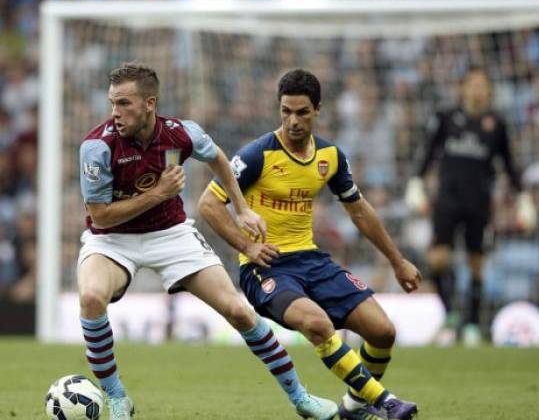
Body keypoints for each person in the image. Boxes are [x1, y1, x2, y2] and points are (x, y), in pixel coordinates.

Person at [77, 63, 338, 420]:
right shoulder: (97, 146)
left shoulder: (180, 134)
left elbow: (217, 157)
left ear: (149, 103)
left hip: (170, 234)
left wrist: (243, 208)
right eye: (112, 103)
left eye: (124, 104)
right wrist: (158, 194)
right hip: (112, 239)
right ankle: (117, 397)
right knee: (91, 298)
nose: (115, 113)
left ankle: (300, 397)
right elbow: (102, 216)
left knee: (239, 311)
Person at [199, 68, 422, 420]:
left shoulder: (330, 157)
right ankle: (386, 402)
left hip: (311, 260)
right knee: (318, 325)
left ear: (318, 110)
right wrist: (248, 246)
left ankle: (353, 406)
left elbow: (359, 211)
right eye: (286, 111)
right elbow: (208, 205)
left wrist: (398, 261)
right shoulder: (258, 154)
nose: (293, 121)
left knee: (382, 331)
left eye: (302, 112)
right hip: (266, 267)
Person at [405, 66, 536, 346]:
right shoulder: (446, 118)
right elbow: (428, 152)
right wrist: (416, 181)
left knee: (476, 263)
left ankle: (473, 325)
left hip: (479, 202)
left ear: (489, 91)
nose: (477, 90)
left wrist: (523, 198)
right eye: (472, 84)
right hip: (447, 200)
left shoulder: (496, 124)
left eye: (482, 85)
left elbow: (509, 164)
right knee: (438, 258)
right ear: (463, 88)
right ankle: (451, 313)